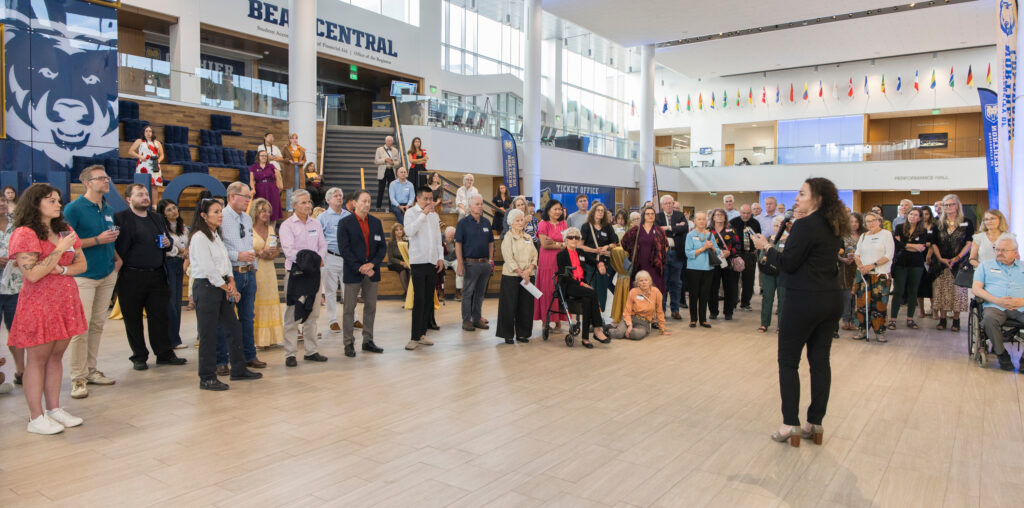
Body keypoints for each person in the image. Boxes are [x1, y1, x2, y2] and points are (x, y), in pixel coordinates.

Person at [752, 177, 846, 447]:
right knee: (820, 363)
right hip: (830, 300)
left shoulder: (805, 225)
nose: (796, 198)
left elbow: (788, 264)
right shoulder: (833, 225)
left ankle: (789, 424)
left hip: (804, 301)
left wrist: (766, 248)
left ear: (817, 198)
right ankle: (815, 423)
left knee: (788, 363)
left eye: (802, 194)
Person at [8, 184, 88, 434]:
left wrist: (62, 268)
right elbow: (32, 274)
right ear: (35, 203)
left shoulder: (65, 229)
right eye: (51, 200)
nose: (58, 204)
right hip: (39, 303)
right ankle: (36, 417)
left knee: (56, 356)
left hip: (65, 301)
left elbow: (82, 265)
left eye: (58, 200)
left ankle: (54, 409)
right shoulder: (25, 233)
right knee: (38, 360)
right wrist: (60, 250)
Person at [188, 198, 263, 391]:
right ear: (204, 216)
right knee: (208, 334)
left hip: (221, 285)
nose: (220, 215)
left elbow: (224, 262)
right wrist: (226, 287)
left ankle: (238, 369)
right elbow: (208, 268)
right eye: (215, 212)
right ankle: (206, 377)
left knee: (234, 328)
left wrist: (231, 281)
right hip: (207, 287)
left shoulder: (215, 235)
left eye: (220, 211)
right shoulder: (199, 237)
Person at [62, 165, 121, 399]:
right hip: (83, 277)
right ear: (87, 182)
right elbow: (66, 243)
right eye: (100, 178)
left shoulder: (107, 208)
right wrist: (97, 240)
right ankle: (77, 377)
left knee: (97, 325)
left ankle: (91, 370)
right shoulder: (74, 208)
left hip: (106, 273)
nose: (106, 181)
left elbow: (110, 238)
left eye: (107, 177)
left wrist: (117, 259)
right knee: (81, 328)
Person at [114, 184, 187, 371]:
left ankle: (164, 353)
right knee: (133, 318)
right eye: (140, 194)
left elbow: (167, 241)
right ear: (128, 198)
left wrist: (167, 243)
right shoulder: (121, 219)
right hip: (131, 275)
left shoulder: (156, 218)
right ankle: (139, 356)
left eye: (146, 194)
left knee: (160, 316)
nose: (145, 197)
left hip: (156, 274)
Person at [279, 190, 328, 367]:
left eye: (309, 202)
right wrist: (310, 261)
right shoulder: (287, 225)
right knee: (293, 314)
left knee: (313, 313)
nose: (308, 205)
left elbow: (322, 245)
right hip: (296, 275)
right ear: (293, 205)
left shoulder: (316, 223)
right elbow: (289, 251)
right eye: (303, 202)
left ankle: (311, 350)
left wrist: (318, 260)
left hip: (314, 274)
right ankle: (290, 353)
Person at [219, 182, 264, 369]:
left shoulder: (246, 218)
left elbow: (248, 244)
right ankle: (221, 360)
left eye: (249, 197)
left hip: (248, 273)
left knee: (248, 317)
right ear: (232, 197)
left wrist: (252, 266)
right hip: (231, 274)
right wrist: (237, 256)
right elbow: (218, 249)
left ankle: (249, 355)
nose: (248, 200)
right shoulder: (220, 217)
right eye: (245, 196)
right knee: (226, 319)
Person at [337, 190, 387, 358]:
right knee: (349, 308)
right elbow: (345, 249)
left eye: (369, 201)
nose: (367, 204)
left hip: (372, 271)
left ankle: (368, 341)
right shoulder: (345, 223)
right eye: (364, 201)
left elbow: (382, 248)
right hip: (353, 271)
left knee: (371, 307)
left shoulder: (376, 222)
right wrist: (360, 267)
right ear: (354, 203)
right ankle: (348, 342)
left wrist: (372, 264)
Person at [973, 237, 1024, 371]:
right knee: (989, 319)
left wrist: (1021, 301)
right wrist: (997, 300)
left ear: (1015, 252)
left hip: (1021, 306)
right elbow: (976, 289)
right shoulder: (985, 266)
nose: (999, 252)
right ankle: (1001, 354)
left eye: (1004, 250)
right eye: (997, 249)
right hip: (995, 306)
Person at [556, 227, 611, 348]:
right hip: (570, 285)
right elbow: (564, 276)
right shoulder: (561, 255)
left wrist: (600, 264)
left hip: (582, 287)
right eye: (570, 237)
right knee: (592, 293)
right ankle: (597, 328)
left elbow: (593, 262)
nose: (573, 239)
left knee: (587, 301)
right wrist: (581, 284)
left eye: (576, 237)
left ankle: (585, 338)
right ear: (565, 240)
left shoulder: (580, 252)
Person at [404, 186, 445, 351]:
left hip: (432, 261)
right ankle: (414, 337)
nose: (429, 202)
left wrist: (440, 257)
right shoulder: (411, 213)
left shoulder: (434, 216)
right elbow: (409, 232)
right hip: (418, 261)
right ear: (418, 199)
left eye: (431, 199)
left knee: (428, 300)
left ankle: (422, 334)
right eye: (426, 199)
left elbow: (437, 239)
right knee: (419, 299)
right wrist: (423, 214)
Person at [930, 194, 974, 332]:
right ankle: (942, 320)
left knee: (958, 293)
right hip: (940, 263)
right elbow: (934, 243)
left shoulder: (966, 222)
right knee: (941, 292)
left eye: (950, 204)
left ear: (957, 206)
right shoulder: (937, 223)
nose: (948, 207)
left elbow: (969, 243)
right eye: (945, 205)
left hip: (959, 263)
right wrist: (941, 258)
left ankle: (956, 320)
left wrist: (958, 257)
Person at [851, 212, 895, 342]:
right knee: (861, 304)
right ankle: (862, 330)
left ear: (879, 221)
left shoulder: (886, 235)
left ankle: (879, 331)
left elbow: (888, 255)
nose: (870, 223)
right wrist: (861, 266)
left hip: (880, 275)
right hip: (863, 275)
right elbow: (857, 254)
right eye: (867, 221)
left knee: (879, 304)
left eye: (872, 220)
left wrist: (872, 265)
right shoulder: (863, 236)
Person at [496, 209, 537, 344]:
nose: (520, 223)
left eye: (522, 220)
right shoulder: (508, 237)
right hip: (512, 276)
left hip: (528, 276)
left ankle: (523, 334)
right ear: (511, 223)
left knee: (526, 306)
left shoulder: (528, 237)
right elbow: (508, 258)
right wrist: (521, 272)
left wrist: (529, 270)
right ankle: (507, 334)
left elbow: (535, 256)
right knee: (509, 306)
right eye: (517, 221)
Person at [249, 198, 284, 348]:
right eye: (263, 210)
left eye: (268, 211)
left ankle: (270, 338)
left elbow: (276, 249)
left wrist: (272, 254)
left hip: (269, 269)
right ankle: (256, 339)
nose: (266, 214)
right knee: (256, 300)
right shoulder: (248, 229)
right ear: (255, 211)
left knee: (270, 299)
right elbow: (243, 249)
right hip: (254, 269)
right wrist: (259, 253)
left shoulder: (270, 229)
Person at [456, 194, 494, 332]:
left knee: (480, 293)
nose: (480, 206)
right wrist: (460, 263)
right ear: (470, 206)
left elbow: (491, 242)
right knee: (468, 293)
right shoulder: (463, 223)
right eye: (477, 204)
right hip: (470, 264)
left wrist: (490, 260)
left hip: (484, 263)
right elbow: (458, 244)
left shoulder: (486, 222)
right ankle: (467, 320)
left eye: (481, 203)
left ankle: (477, 319)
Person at [0, 194, 25, 389]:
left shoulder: (17, 224)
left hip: (15, 286)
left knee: (16, 330)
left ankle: (21, 371)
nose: (1, 203)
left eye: (3, 200)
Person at [890, 208, 928, 330]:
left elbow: (921, 247)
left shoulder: (923, 230)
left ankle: (910, 319)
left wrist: (905, 245)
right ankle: (893, 320)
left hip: (916, 264)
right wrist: (912, 246)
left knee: (913, 291)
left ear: (920, 218)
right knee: (898, 291)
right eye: (911, 214)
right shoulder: (900, 228)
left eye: (915, 215)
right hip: (901, 263)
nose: (912, 216)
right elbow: (897, 245)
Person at [157, 199, 188, 349]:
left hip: (180, 264)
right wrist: (181, 251)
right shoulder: (162, 228)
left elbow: (187, 246)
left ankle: (176, 337)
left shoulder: (183, 228)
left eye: (174, 208)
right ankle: (171, 339)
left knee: (176, 302)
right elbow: (167, 248)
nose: (173, 211)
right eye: (169, 210)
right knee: (170, 303)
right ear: (163, 213)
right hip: (169, 263)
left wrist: (184, 254)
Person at [318, 187, 350, 332]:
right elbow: (319, 238)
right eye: (335, 196)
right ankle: (333, 320)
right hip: (330, 256)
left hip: (347, 257)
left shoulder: (348, 215)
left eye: (340, 195)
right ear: (328, 200)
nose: (339, 198)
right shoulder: (322, 217)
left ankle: (353, 318)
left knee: (349, 289)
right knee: (330, 290)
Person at [621, 206, 669, 302]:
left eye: (652, 214)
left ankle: (652, 314)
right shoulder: (636, 229)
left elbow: (666, 246)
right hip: (639, 265)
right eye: (648, 214)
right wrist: (632, 252)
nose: (650, 216)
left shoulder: (660, 231)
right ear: (644, 216)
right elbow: (624, 242)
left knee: (654, 291)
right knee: (638, 292)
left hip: (654, 266)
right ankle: (639, 314)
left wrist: (659, 256)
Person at [534, 200, 568, 330]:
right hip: (547, 262)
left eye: (560, 209)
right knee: (547, 290)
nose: (558, 212)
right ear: (548, 210)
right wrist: (560, 244)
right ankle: (545, 321)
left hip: (561, 262)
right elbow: (544, 245)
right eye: (555, 209)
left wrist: (554, 242)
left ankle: (559, 321)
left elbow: (568, 243)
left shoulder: (564, 224)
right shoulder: (543, 224)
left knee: (559, 290)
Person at [579, 201, 619, 313]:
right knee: (591, 288)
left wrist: (606, 247)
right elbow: (580, 246)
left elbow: (614, 243)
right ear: (593, 212)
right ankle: (591, 315)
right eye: (598, 210)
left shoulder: (607, 227)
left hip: (605, 262)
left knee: (602, 289)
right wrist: (595, 250)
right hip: (590, 262)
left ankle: (600, 314)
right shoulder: (586, 227)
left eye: (602, 211)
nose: (600, 212)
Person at [607, 270, 668, 340]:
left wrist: (662, 329)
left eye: (646, 280)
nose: (644, 282)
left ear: (650, 282)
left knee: (635, 334)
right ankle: (608, 329)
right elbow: (627, 311)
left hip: (644, 323)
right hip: (630, 318)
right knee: (618, 334)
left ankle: (623, 330)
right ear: (637, 283)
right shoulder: (633, 292)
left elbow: (660, 311)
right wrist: (629, 325)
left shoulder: (656, 292)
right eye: (641, 281)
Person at [684, 211, 720, 328]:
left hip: (708, 268)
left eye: (704, 219)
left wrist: (712, 247)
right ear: (695, 221)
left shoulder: (710, 234)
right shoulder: (690, 235)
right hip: (693, 269)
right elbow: (688, 253)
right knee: (694, 295)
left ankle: (703, 319)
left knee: (705, 295)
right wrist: (703, 248)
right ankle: (693, 319)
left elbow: (718, 252)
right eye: (699, 219)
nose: (702, 221)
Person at [655, 195, 688, 319]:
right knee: (663, 283)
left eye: (670, 203)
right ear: (662, 205)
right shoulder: (657, 217)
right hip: (663, 254)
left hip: (677, 254)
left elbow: (685, 228)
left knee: (676, 283)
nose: (669, 205)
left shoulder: (679, 215)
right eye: (666, 203)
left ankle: (675, 309)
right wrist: (676, 229)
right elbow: (657, 231)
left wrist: (668, 228)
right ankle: (661, 311)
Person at [758, 215, 788, 333]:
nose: (777, 228)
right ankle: (764, 323)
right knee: (767, 298)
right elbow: (761, 257)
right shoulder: (769, 239)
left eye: (780, 226)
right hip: (768, 273)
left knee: (783, 299)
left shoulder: (789, 240)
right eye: (775, 225)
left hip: (783, 274)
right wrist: (764, 259)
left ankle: (782, 325)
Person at [708, 208, 739, 320]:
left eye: (722, 215)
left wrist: (729, 252)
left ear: (725, 217)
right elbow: (703, 245)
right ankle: (713, 312)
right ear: (713, 217)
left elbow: (737, 246)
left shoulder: (731, 230)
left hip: (728, 262)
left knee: (729, 287)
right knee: (713, 287)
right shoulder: (708, 230)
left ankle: (728, 312)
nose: (719, 217)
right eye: (717, 215)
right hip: (713, 262)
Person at [730, 204, 762, 312]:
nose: (746, 215)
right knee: (734, 280)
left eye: (748, 213)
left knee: (748, 280)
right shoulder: (733, 222)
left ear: (751, 213)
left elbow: (758, 238)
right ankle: (733, 301)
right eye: (743, 213)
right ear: (740, 212)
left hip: (750, 255)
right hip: (737, 254)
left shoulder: (755, 223)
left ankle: (745, 303)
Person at [838, 213, 865, 332]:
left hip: (860, 267)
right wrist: (843, 259)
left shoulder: (864, 236)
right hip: (845, 268)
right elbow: (835, 252)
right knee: (847, 295)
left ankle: (855, 320)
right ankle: (846, 319)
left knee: (857, 295)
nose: (854, 224)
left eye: (856, 222)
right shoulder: (842, 235)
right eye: (851, 222)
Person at [128, 125, 165, 199]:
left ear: (152, 133)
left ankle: (154, 206)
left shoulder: (157, 142)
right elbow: (130, 151)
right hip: (143, 164)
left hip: (154, 164)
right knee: (142, 185)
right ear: (144, 133)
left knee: (154, 186)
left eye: (150, 131)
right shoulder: (139, 141)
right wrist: (140, 157)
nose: (148, 133)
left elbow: (162, 155)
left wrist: (158, 160)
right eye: (146, 131)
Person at [249, 150, 283, 222]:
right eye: (262, 156)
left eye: (265, 156)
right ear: (258, 157)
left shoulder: (271, 166)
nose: (264, 157)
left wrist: (279, 188)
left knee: (273, 209)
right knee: (260, 208)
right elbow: (252, 180)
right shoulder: (254, 167)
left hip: (272, 189)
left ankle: (272, 231)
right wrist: (253, 188)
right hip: (259, 190)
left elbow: (278, 177)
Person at [917, 206, 938, 319]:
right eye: (922, 214)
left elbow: (935, 243)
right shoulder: (917, 227)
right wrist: (926, 244)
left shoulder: (935, 227)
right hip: (919, 257)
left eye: (927, 214)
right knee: (920, 286)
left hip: (933, 258)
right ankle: (921, 311)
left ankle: (934, 311)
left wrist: (929, 250)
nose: (925, 216)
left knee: (932, 286)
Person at [375, 136, 401, 208]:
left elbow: (398, 162)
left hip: (391, 171)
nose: (390, 142)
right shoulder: (379, 149)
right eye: (388, 141)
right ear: (385, 141)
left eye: (391, 141)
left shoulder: (395, 150)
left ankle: (391, 207)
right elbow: (376, 161)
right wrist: (385, 160)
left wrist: (393, 163)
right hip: (383, 171)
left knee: (392, 190)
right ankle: (378, 207)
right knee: (381, 189)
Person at [387, 223, 411, 295]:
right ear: (394, 232)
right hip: (394, 263)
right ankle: (408, 294)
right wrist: (402, 263)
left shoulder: (406, 241)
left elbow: (409, 254)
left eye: (400, 229)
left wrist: (407, 263)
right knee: (402, 270)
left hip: (406, 262)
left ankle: (410, 293)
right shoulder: (391, 242)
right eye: (397, 230)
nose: (399, 231)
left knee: (410, 271)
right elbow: (391, 258)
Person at [441, 226, 459, 300]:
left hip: (455, 259)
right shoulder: (440, 238)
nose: (451, 239)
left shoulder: (458, 238)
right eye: (449, 237)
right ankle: (441, 292)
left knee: (460, 269)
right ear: (445, 234)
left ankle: (458, 292)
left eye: (452, 237)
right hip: (444, 258)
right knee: (440, 269)